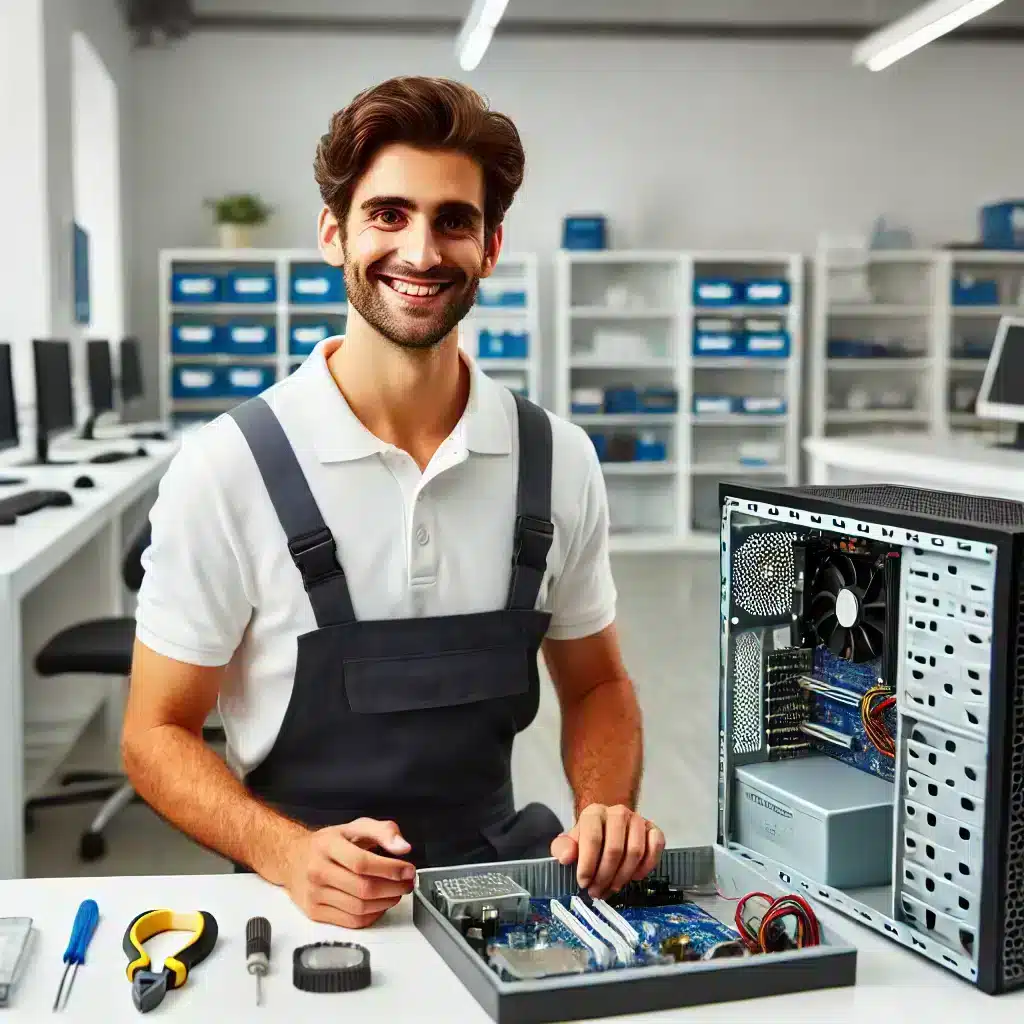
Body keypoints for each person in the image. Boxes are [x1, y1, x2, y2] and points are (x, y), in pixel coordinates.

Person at [122, 75, 664, 930]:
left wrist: (603, 807)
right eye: (388, 215)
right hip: (300, 899)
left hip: (503, 891)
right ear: (334, 234)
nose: (420, 252)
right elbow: (155, 732)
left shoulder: (557, 460)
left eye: (453, 221)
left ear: (489, 248)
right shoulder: (227, 468)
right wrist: (284, 852)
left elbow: (597, 684)